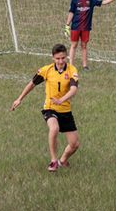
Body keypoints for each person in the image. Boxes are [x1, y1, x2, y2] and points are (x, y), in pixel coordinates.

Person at [11, 43, 80, 172]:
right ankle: (53, 161)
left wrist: (61, 100)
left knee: (74, 144)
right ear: (53, 58)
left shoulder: (72, 70)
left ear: (67, 58)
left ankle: (63, 160)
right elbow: (32, 84)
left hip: (65, 110)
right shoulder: (46, 70)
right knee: (54, 128)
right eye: (58, 58)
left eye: (63, 58)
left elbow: (73, 89)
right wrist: (19, 98)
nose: (60, 61)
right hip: (50, 108)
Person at [66, 0, 116, 70]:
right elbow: (71, 13)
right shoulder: (75, 0)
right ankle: (71, 66)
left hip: (86, 27)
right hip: (75, 27)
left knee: (84, 46)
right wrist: (67, 25)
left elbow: (103, 2)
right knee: (74, 45)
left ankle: (85, 66)